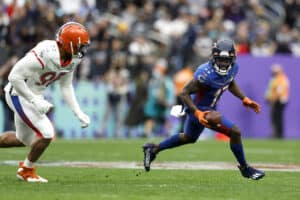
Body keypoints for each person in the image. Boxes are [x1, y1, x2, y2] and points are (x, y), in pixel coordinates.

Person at [143, 39, 265, 180]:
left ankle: (153, 149)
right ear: (214, 57)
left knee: (189, 137)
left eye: (227, 60)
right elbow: (184, 93)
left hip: (207, 109)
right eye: (221, 60)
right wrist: (197, 112)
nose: (224, 63)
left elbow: (230, 82)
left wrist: (244, 98)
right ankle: (245, 168)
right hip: (199, 110)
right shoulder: (205, 73)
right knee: (235, 131)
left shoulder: (233, 68)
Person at [0, 22, 91, 183]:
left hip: (33, 95)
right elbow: (14, 77)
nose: (82, 50)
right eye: (79, 45)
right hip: (18, 92)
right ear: (68, 44)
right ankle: (26, 171)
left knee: (23, 139)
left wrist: (78, 112)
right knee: (47, 133)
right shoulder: (46, 52)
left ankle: (26, 170)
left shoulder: (73, 59)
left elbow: (66, 86)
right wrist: (34, 100)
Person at [265, 64, 289, 138]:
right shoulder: (277, 79)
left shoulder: (280, 79)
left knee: (277, 118)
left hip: (278, 101)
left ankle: (278, 134)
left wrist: (273, 100)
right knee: (275, 118)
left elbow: (279, 92)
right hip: (277, 100)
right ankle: (276, 133)